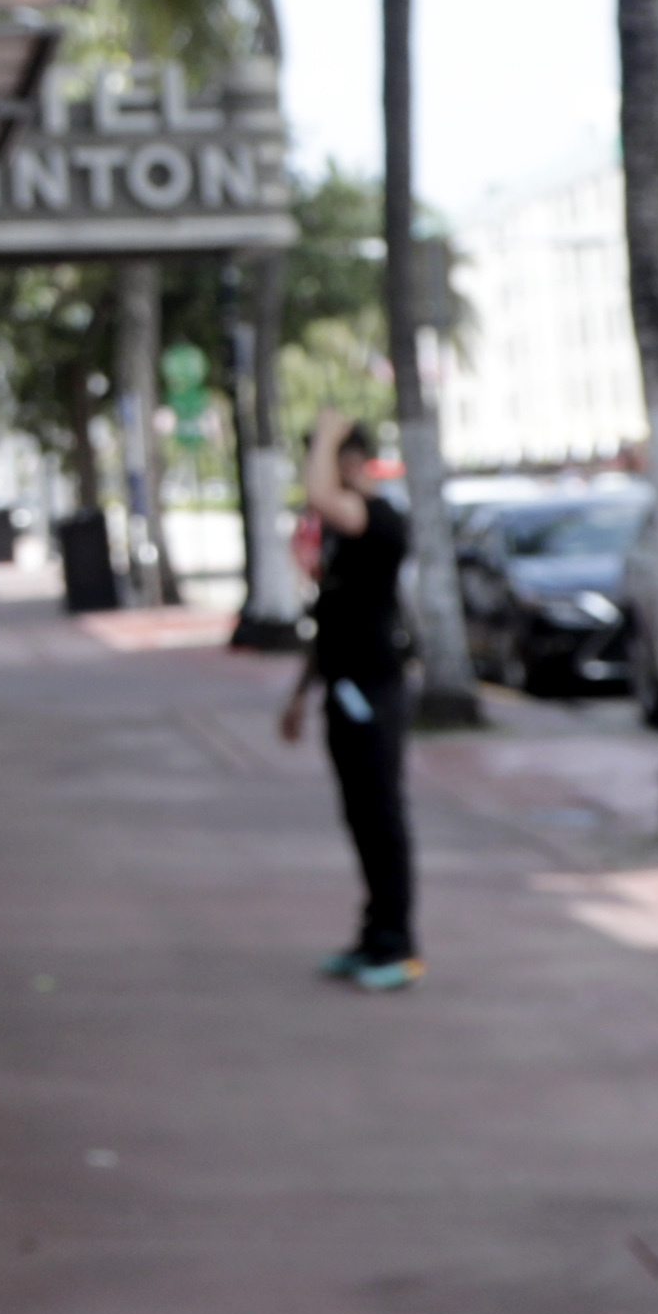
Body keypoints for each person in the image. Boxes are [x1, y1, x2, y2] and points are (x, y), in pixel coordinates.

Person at [276, 413, 419, 990]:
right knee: (360, 818)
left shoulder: (379, 518)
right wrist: (298, 697)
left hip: (376, 691)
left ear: (354, 463)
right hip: (342, 688)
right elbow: (330, 619)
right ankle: (374, 936)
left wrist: (332, 433)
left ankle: (399, 947)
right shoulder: (341, 531)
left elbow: (318, 494)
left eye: (329, 459)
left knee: (382, 818)